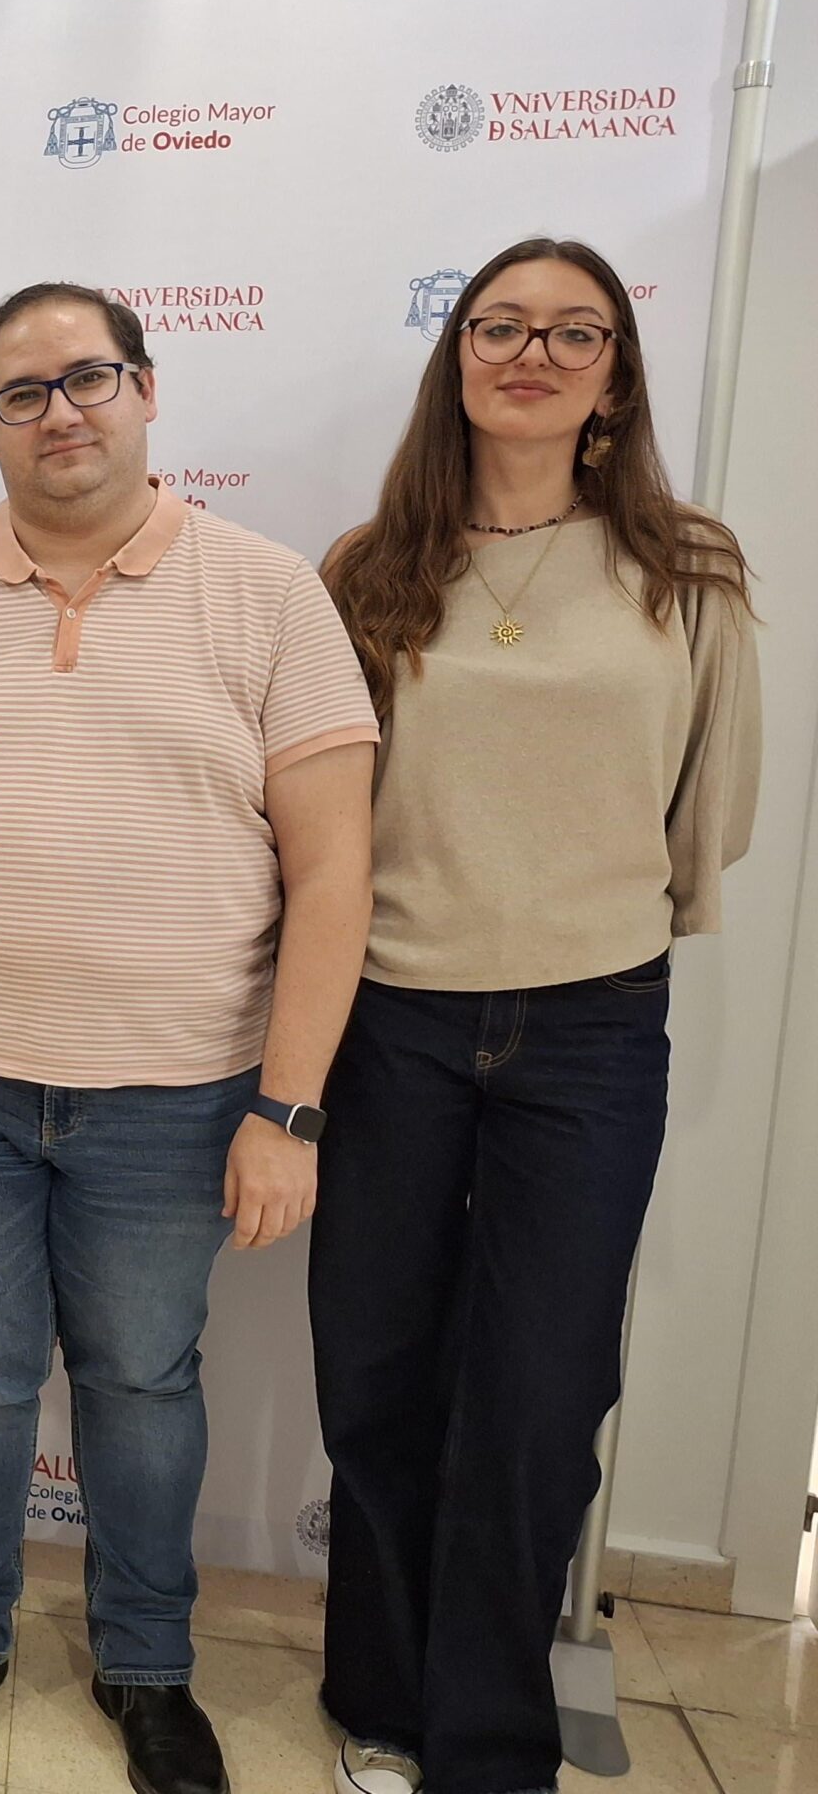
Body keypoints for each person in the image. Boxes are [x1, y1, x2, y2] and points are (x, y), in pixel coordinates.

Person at [0, 283, 378, 1787]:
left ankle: (147, 1665)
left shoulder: (269, 596)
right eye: (22, 392)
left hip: (176, 1100)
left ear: (146, 387)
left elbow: (335, 872)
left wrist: (291, 1109)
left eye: (91, 378)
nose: (61, 412)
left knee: (141, 1385)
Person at [312, 239, 758, 1794]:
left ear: (617, 375)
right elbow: (319, 821)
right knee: (375, 1371)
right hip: (391, 1023)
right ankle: (376, 1699)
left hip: (588, 1029)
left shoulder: (687, 570)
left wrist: (608, 927)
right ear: (457, 361)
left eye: (575, 333)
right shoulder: (369, 570)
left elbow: (713, 808)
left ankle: (489, 1742)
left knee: (543, 1391)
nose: (533, 353)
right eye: (499, 326)